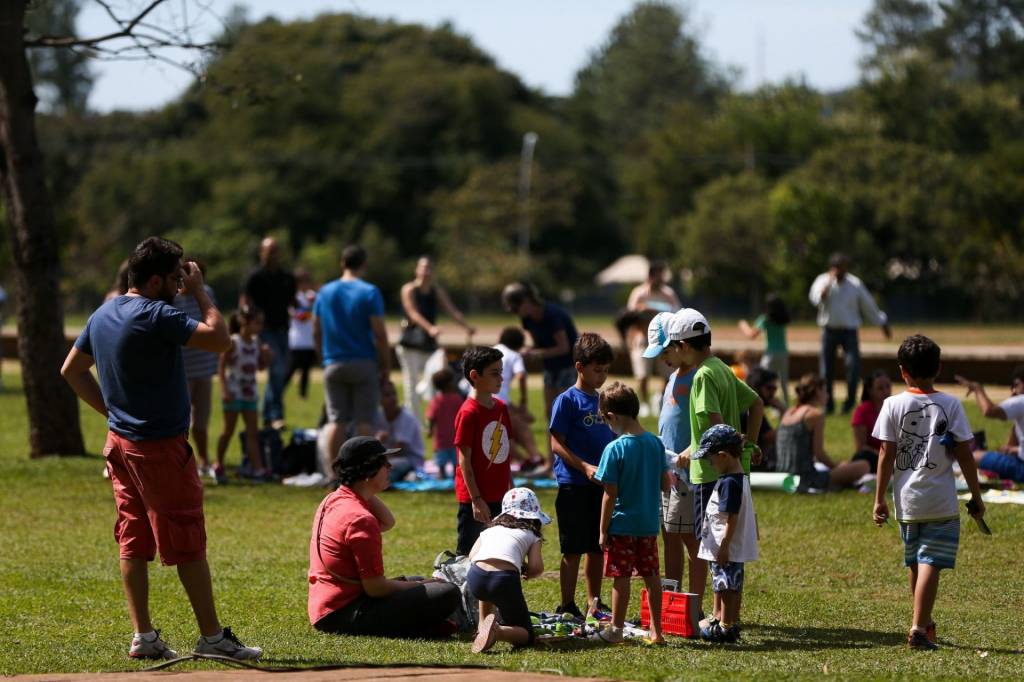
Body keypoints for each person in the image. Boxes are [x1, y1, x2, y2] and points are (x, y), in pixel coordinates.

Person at [61, 236, 262, 660]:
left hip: (121, 444)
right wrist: (202, 291)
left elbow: (72, 370)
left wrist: (112, 414)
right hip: (159, 448)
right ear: (156, 280)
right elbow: (220, 339)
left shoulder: (104, 312)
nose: (180, 284)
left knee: (132, 537)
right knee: (186, 535)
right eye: (175, 278)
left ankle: (144, 636)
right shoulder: (156, 314)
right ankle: (212, 638)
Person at [642, 308, 763, 621]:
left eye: (671, 348)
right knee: (718, 549)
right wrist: (748, 443)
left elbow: (715, 431)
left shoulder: (704, 375)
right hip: (714, 471)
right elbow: (756, 403)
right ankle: (718, 615)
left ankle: (719, 617)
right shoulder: (719, 367)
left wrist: (716, 451)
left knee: (713, 547)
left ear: (681, 346)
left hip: (707, 475)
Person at [872, 334, 985, 650]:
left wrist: (879, 498)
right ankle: (919, 629)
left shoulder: (892, 404)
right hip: (939, 501)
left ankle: (925, 620)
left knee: (916, 562)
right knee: (930, 562)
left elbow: (885, 453)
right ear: (939, 367)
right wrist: (976, 496)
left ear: (902, 371)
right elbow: (964, 454)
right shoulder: (951, 405)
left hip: (906, 501)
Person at [309, 436, 460, 638]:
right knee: (447, 593)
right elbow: (375, 588)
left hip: (328, 606)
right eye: (383, 463)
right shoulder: (360, 519)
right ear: (368, 471)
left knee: (421, 581)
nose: (390, 466)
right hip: (343, 614)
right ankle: (422, 628)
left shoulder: (334, 498)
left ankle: (425, 625)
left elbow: (388, 522)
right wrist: (417, 587)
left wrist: (367, 489)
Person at [591, 382, 670, 645]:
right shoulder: (655, 444)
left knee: (620, 577)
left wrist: (603, 530)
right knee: (652, 577)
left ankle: (616, 629)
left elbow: (609, 495)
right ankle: (657, 631)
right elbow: (666, 484)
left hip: (621, 526)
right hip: (648, 525)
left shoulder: (614, 449)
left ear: (611, 417)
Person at [548, 333, 615, 618]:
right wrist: (584, 466)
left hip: (600, 485)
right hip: (573, 484)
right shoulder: (567, 400)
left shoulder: (603, 401)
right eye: (596, 370)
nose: (601, 376)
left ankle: (594, 603)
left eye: (605, 370)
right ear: (580, 367)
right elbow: (555, 443)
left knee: (597, 548)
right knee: (573, 548)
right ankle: (567, 604)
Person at [313, 245, 391, 480]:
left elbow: (316, 330)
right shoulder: (369, 292)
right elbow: (379, 333)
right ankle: (364, 475)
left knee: (336, 421)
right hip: (363, 362)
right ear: (364, 264)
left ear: (342, 263)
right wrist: (385, 365)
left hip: (333, 362)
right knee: (364, 422)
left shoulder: (325, 292)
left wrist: (322, 358)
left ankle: (335, 475)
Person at [647, 312, 700, 596]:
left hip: (687, 474)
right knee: (668, 534)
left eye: (665, 351)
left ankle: (696, 600)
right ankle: (673, 595)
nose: (662, 358)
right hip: (667, 471)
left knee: (690, 537)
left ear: (680, 345)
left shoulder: (697, 377)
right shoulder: (672, 376)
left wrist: (687, 455)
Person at [501, 281, 579, 467]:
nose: (515, 313)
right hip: (549, 368)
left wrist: (538, 353)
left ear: (527, 301)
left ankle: (568, 461)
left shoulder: (553, 315)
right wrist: (529, 351)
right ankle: (552, 462)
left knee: (563, 415)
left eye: (515, 308)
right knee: (550, 416)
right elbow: (539, 345)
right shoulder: (527, 319)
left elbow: (564, 347)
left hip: (567, 367)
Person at [694, 425, 759, 644]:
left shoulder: (730, 482)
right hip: (725, 547)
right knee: (726, 584)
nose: (710, 464)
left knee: (728, 585)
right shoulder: (735, 478)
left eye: (711, 459)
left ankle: (726, 625)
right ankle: (724, 620)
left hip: (726, 548)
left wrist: (724, 546)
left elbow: (731, 516)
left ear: (723, 456)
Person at [468, 487, 549, 653]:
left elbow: (472, 556)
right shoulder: (532, 534)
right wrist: (526, 571)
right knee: (526, 635)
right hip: (503, 580)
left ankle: (482, 627)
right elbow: (536, 567)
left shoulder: (489, 530)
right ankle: (497, 631)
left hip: (475, 577)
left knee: (486, 589)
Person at [809, 252, 892, 414]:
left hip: (849, 332)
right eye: (838, 267)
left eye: (843, 267)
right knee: (826, 370)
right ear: (832, 268)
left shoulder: (855, 284)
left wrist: (881, 322)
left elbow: (868, 306)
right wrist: (826, 288)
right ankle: (828, 403)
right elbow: (815, 299)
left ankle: (849, 403)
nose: (841, 270)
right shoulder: (822, 281)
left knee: (853, 366)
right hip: (829, 331)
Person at [398, 256, 476, 423]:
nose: (426, 271)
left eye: (429, 268)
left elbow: (452, 311)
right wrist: (430, 328)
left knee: (433, 380)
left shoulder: (436, 291)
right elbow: (413, 313)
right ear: (416, 270)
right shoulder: (409, 289)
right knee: (410, 383)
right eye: (423, 267)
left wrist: (466, 326)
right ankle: (415, 423)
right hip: (410, 343)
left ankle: (424, 417)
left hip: (428, 344)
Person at [454, 346, 513, 555]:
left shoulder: (501, 408)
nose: (501, 379)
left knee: (498, 550)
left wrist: (511, 490)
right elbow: (464, 461)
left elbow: (504, 452)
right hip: (476, 498)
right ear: (475, 376)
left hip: (501, 494)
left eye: (501, 372)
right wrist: (476, 500)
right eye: (494, 373)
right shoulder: (469, 413)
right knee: (468, 553)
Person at [776, 374, 873, 492]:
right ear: (817, 391)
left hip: (780, 475)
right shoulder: (815, 414)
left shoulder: (789, 412)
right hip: (805, 478)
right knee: (863, 465)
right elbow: (819, 454)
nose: (827, 395)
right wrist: (837, 467)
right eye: (825, 391)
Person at [242, 237, 296, 427]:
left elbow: (293, 302)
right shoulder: (255, 277)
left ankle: (266, 414)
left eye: (274, 250)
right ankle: (277, 415)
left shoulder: (287, 277)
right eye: (268, 250)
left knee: (281, 372)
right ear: (261, 253)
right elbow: (245, 302)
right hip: (264, 331)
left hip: (283, 330)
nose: (271, 254)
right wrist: (247, 325)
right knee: (278, 369)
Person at [173, 259, 220, 480]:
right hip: (181, 369)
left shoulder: (206, 293)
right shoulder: (171, 297)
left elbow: (214, 324)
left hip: (204, 368)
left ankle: (204, 461)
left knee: (201, 421)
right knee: (180, 422)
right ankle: (180, 462)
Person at [216, 306, 272, 482]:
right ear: (244, 322)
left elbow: (260, 367)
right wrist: (224, 390)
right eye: (257, 323)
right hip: (234, 393)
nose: (260, 327)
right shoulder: (233, 342)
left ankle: (257, 469)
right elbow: (221, 367)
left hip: (250, 394)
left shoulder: (256, 342)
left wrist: (267, 357)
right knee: (228, 431)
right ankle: (218, 464)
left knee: (252, 433)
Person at [626, 260, 681, 417]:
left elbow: (677, 312)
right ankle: (643, 403)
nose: (662, 279)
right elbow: (629, 315)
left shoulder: (668, 294)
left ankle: (659, 398)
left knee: (667, 374)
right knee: (642, 374)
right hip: (642, 339)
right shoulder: (639, 293)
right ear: (651, 276)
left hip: (664, 340)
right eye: (659, 275)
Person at [955, 366, 1024, 483]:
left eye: (1016, 385)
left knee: (973, 456)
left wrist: (977, 389)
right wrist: (1016, 449)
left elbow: (988, 411)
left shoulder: (1021, 401)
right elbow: (1011, 444)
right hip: (1018, 458)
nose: (1013, 391)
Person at [495, 327, 545, 471]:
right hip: (499, 399)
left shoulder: (492, 351)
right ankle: (534, 458)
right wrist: (523, 403)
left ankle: (524, 459)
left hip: (479, 398)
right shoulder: (514, 355)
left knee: (500, 431)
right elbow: (521, 375)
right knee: (520, 426)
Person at [739, 293, 791, 406]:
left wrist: (743, 325)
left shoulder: (765, 319)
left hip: (770, 354)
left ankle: (759, 404)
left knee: (760, 380)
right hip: (783, 354)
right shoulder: (783, 319)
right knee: (783, 383)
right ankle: (785, 407)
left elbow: (751, 335)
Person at [373, 380, 425, 482]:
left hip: (410, 459)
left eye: (394, 394)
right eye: (387, 395)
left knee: (388, 467)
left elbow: (399, 449)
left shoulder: (406, 418)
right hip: (389, 457)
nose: (393, 398)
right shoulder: (378, 416)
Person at [285, 268, 318, 400]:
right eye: (301, 282)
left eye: (306, 281)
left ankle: (303, 394)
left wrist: (310, 308)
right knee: (290, 369)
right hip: (296, 341)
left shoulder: (312, 296)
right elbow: (298, 316)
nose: (304, 284)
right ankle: (281, 389)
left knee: (306, 370)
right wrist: (309, 311)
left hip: (310, 341)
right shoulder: (293, 297)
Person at [426, 368, 464, 479]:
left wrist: (430, 430)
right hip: (455, 438)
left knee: (441, 461)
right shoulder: (457, 399)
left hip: (440, 439)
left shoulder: (436, 400)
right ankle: (454, 476)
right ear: (449, 384)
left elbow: (431, 417)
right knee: (455, 460)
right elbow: (462, 415)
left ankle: (442, 474)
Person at [742, 367, 781, 471]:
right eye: (769, 388)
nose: (773, 393)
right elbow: (770, 437)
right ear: (756, 388)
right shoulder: (751, 409)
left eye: (775, 389)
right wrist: (784, 411)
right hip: (751, 465)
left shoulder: (747, 404)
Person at [850, 369, 892, 468]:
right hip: (873, 458)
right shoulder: (862, 411)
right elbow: (861, 447)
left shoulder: (896, 408)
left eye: (888, 386)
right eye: (880, 388)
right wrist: (882, 455)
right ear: (870, 390)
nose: (885, 391)